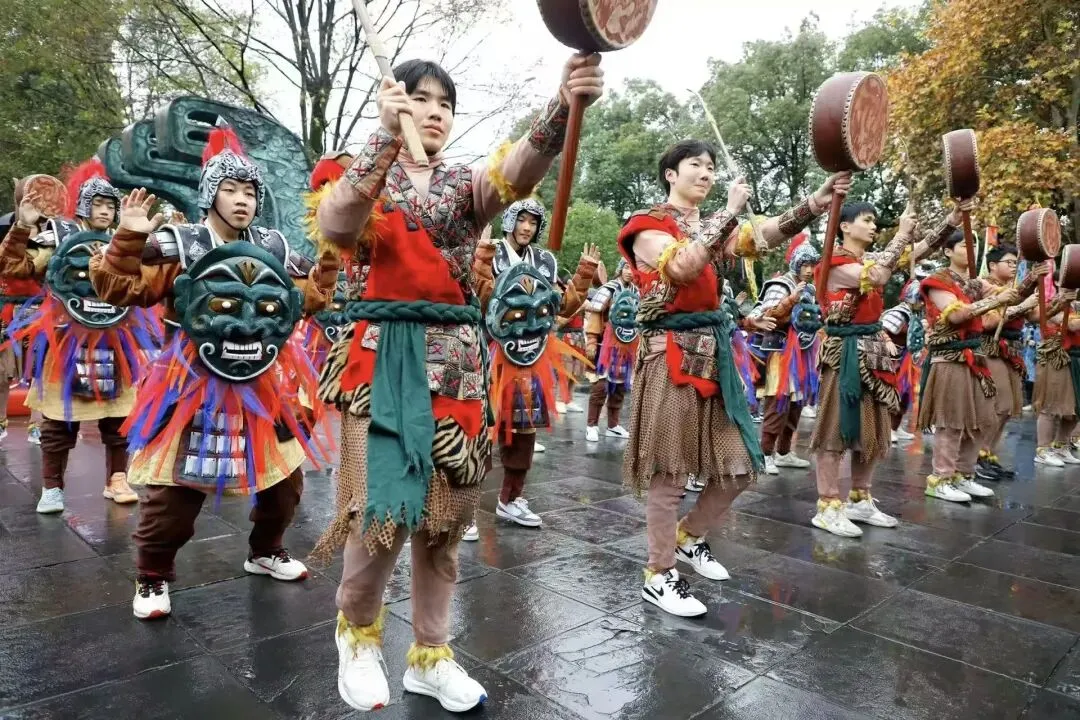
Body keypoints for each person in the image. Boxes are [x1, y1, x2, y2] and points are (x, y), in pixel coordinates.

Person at [310, 55, 604, 712]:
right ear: (394, 101)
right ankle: (357, 635)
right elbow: (336, 225)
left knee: (444, 524)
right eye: (421, 98)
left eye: (445, 102)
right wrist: (384, 138)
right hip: (380, 364)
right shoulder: (357, 169)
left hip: (458, 367)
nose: (435, 111)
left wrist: (562, 106)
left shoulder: (467, 183)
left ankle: (431, 654)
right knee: (381, 513)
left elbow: (521, 169)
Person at [88, 128, 337, 619]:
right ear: (209, 194)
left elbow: (305, 299)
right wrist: (128, 237)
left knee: (284, 483)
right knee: (175, 492)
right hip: (192, 381)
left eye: (250, 192)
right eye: (231, 190)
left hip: (264, 378)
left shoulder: (273, 246)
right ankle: (152, 575)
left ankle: (265, 550)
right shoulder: (178, 244)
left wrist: (328, 261)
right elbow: (116, 287)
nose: (242, 200)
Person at [619, 137, 850, 617]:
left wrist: (815, 202)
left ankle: (689, 536)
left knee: (743, 465)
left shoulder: (709, 226)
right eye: (695, 165)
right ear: (671, 174)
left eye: (710, 166)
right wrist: (727, 213)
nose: (706, 173)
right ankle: (658, 574)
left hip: (716, 359)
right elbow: (682, 266)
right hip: (670, 359)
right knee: (669, 474)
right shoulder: (646, 224)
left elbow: (761, 235)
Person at [809, 201, 962, 536]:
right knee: (835, 431)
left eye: (875, 221)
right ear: (844, 226)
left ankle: (860, 498)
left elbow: (917, 251)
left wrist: (951, 221)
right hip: (844, 354)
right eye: (867, 220)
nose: (873, 226)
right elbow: (877, 276)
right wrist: (902, 234)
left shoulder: (868, 259)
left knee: (871, 432)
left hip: (874, 353)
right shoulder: (832, 263)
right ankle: (827, 504)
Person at [2, 211, 161, 515]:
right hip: (66, 340)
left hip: (116, 341)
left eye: (109, 205)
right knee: (58, 421)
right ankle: (52, 487)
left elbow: (150, 282)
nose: (104, 210)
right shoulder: (59, 237)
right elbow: (13, 267)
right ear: (84, 206)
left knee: (119, 419)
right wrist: (22, 226)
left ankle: (117, 479)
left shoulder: (127, 239)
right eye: (97, 203)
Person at [918, 230, 1034, 503]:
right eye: (963, 245)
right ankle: (940, 479)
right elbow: (957, 314)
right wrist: (996, 301)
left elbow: (1013, 296)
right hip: (951, 358)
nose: (969, 249)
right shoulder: (937, 281)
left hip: (977, 357)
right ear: (947, 251)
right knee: (951, 421)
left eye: (973, 245)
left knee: (983, 418)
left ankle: (964, 473)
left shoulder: (975, 283)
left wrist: (1033, 276)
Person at [491, 198, 599, 460]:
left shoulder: (544, 260)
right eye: (521, 220)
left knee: (526, 423)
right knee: (486, 420)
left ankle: (514, 485)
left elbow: (560, 306)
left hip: (533, 349)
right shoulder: (491, 252)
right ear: (509, 220)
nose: (527, 227)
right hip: (493, 344)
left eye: (533, 222)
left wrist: (584, 274)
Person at [747, 236, 822, 474]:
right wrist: (791, 299)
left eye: (812, 265)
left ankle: (784, 452)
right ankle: (765, 453)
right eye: (805, 265)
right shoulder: (780, 285)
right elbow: (767, 315)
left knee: (796, 404)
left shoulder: (811, 288)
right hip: (779, 352)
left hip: (803, 352)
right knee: (778, 402)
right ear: (796, 264)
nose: (809, 270)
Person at [975, 245, 1045, 479]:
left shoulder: (1013, 289)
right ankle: (977, 456)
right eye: (1009, 262)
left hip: (1012, 350)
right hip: (992, 347)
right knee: (999, 405)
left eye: (1016, 262)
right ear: (993, 265)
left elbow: (1035, 317)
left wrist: (1051, 300)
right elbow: (988, 322)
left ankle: (989, 454)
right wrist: (1024, 300)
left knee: (1007, 410)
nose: (1014, 266)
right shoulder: (983, 285)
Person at [584, 259, 635, 442]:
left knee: (619, 387)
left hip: (626, 346)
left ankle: (613, 425)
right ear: (620, 269)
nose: (629, 272)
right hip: (604, 345)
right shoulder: (609, 289)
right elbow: (595, 314)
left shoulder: (636, 292)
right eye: (627, 267)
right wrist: (591, 340)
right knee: (601, 386)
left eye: (633, 268)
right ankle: (591, 425)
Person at [1033, 286, 1080, 467]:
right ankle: (1043, 450)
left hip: (1076, 359)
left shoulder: (1076, 305)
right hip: (1056, 358)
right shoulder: (1051, 304)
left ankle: (1061, 447)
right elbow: (1071, 325)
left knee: (1074, 408)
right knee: (1050, 406)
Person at [881, 279, 925, 443]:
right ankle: (887, 429)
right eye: (920, 299)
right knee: (893, 394)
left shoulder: (916, 314)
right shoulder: (899, 313)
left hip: (908, 360)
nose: (923, 304)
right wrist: (888, 341)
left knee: (905, 395)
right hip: (893, 361)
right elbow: (880, 329)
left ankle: (895, 427)